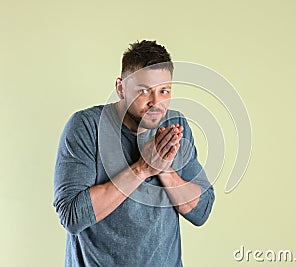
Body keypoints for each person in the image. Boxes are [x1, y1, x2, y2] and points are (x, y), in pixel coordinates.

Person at [53, 40, 215, 266]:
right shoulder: (86, 126)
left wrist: (165, 170)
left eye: (164, 91)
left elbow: (202, 210)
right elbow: (72, 216)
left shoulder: (175, 125)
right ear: (120, 88)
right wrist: (142, 168)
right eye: (144, 91)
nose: (155, 102)